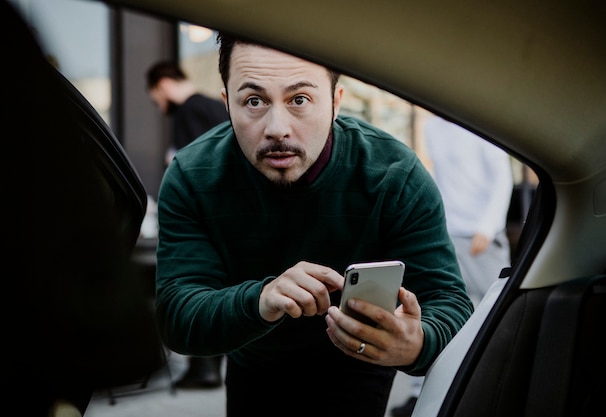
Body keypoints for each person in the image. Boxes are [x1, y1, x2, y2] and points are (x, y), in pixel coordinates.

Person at [155, 33, 474, 417]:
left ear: (336, 103)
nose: (277, 128)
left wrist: (418, 343)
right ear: (227, 104)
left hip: (359, 364)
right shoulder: (192, 175)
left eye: (299, 100)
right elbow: (176, 314)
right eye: (253, 101)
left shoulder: (394, 174)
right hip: (253, 363)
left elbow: (450, 302)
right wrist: (261, 299)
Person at [390, 115, 513, 417]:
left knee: (498, 312)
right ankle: (421, 395)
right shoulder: (432, 127)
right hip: (447, 233)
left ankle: (501, 386)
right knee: (436, 312)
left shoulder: (479, 124)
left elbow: (503, 179)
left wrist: (487, 227)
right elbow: (442, 179)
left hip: (482, 237)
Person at [146, 60, 229, 388]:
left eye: (155, 97)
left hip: (205, 217)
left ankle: (204, 370)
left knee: (199, 286)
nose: (158, 105)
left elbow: (193, 166)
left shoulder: (187, 111)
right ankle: (207, 369)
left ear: (163, 84)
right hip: (226, 215)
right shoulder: (212, 106)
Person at [146, 60, 229, 165]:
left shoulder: (187, 111)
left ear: (164, 85)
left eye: (157, 102)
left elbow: (196, 162)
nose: (162, 110)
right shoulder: (215, 105)